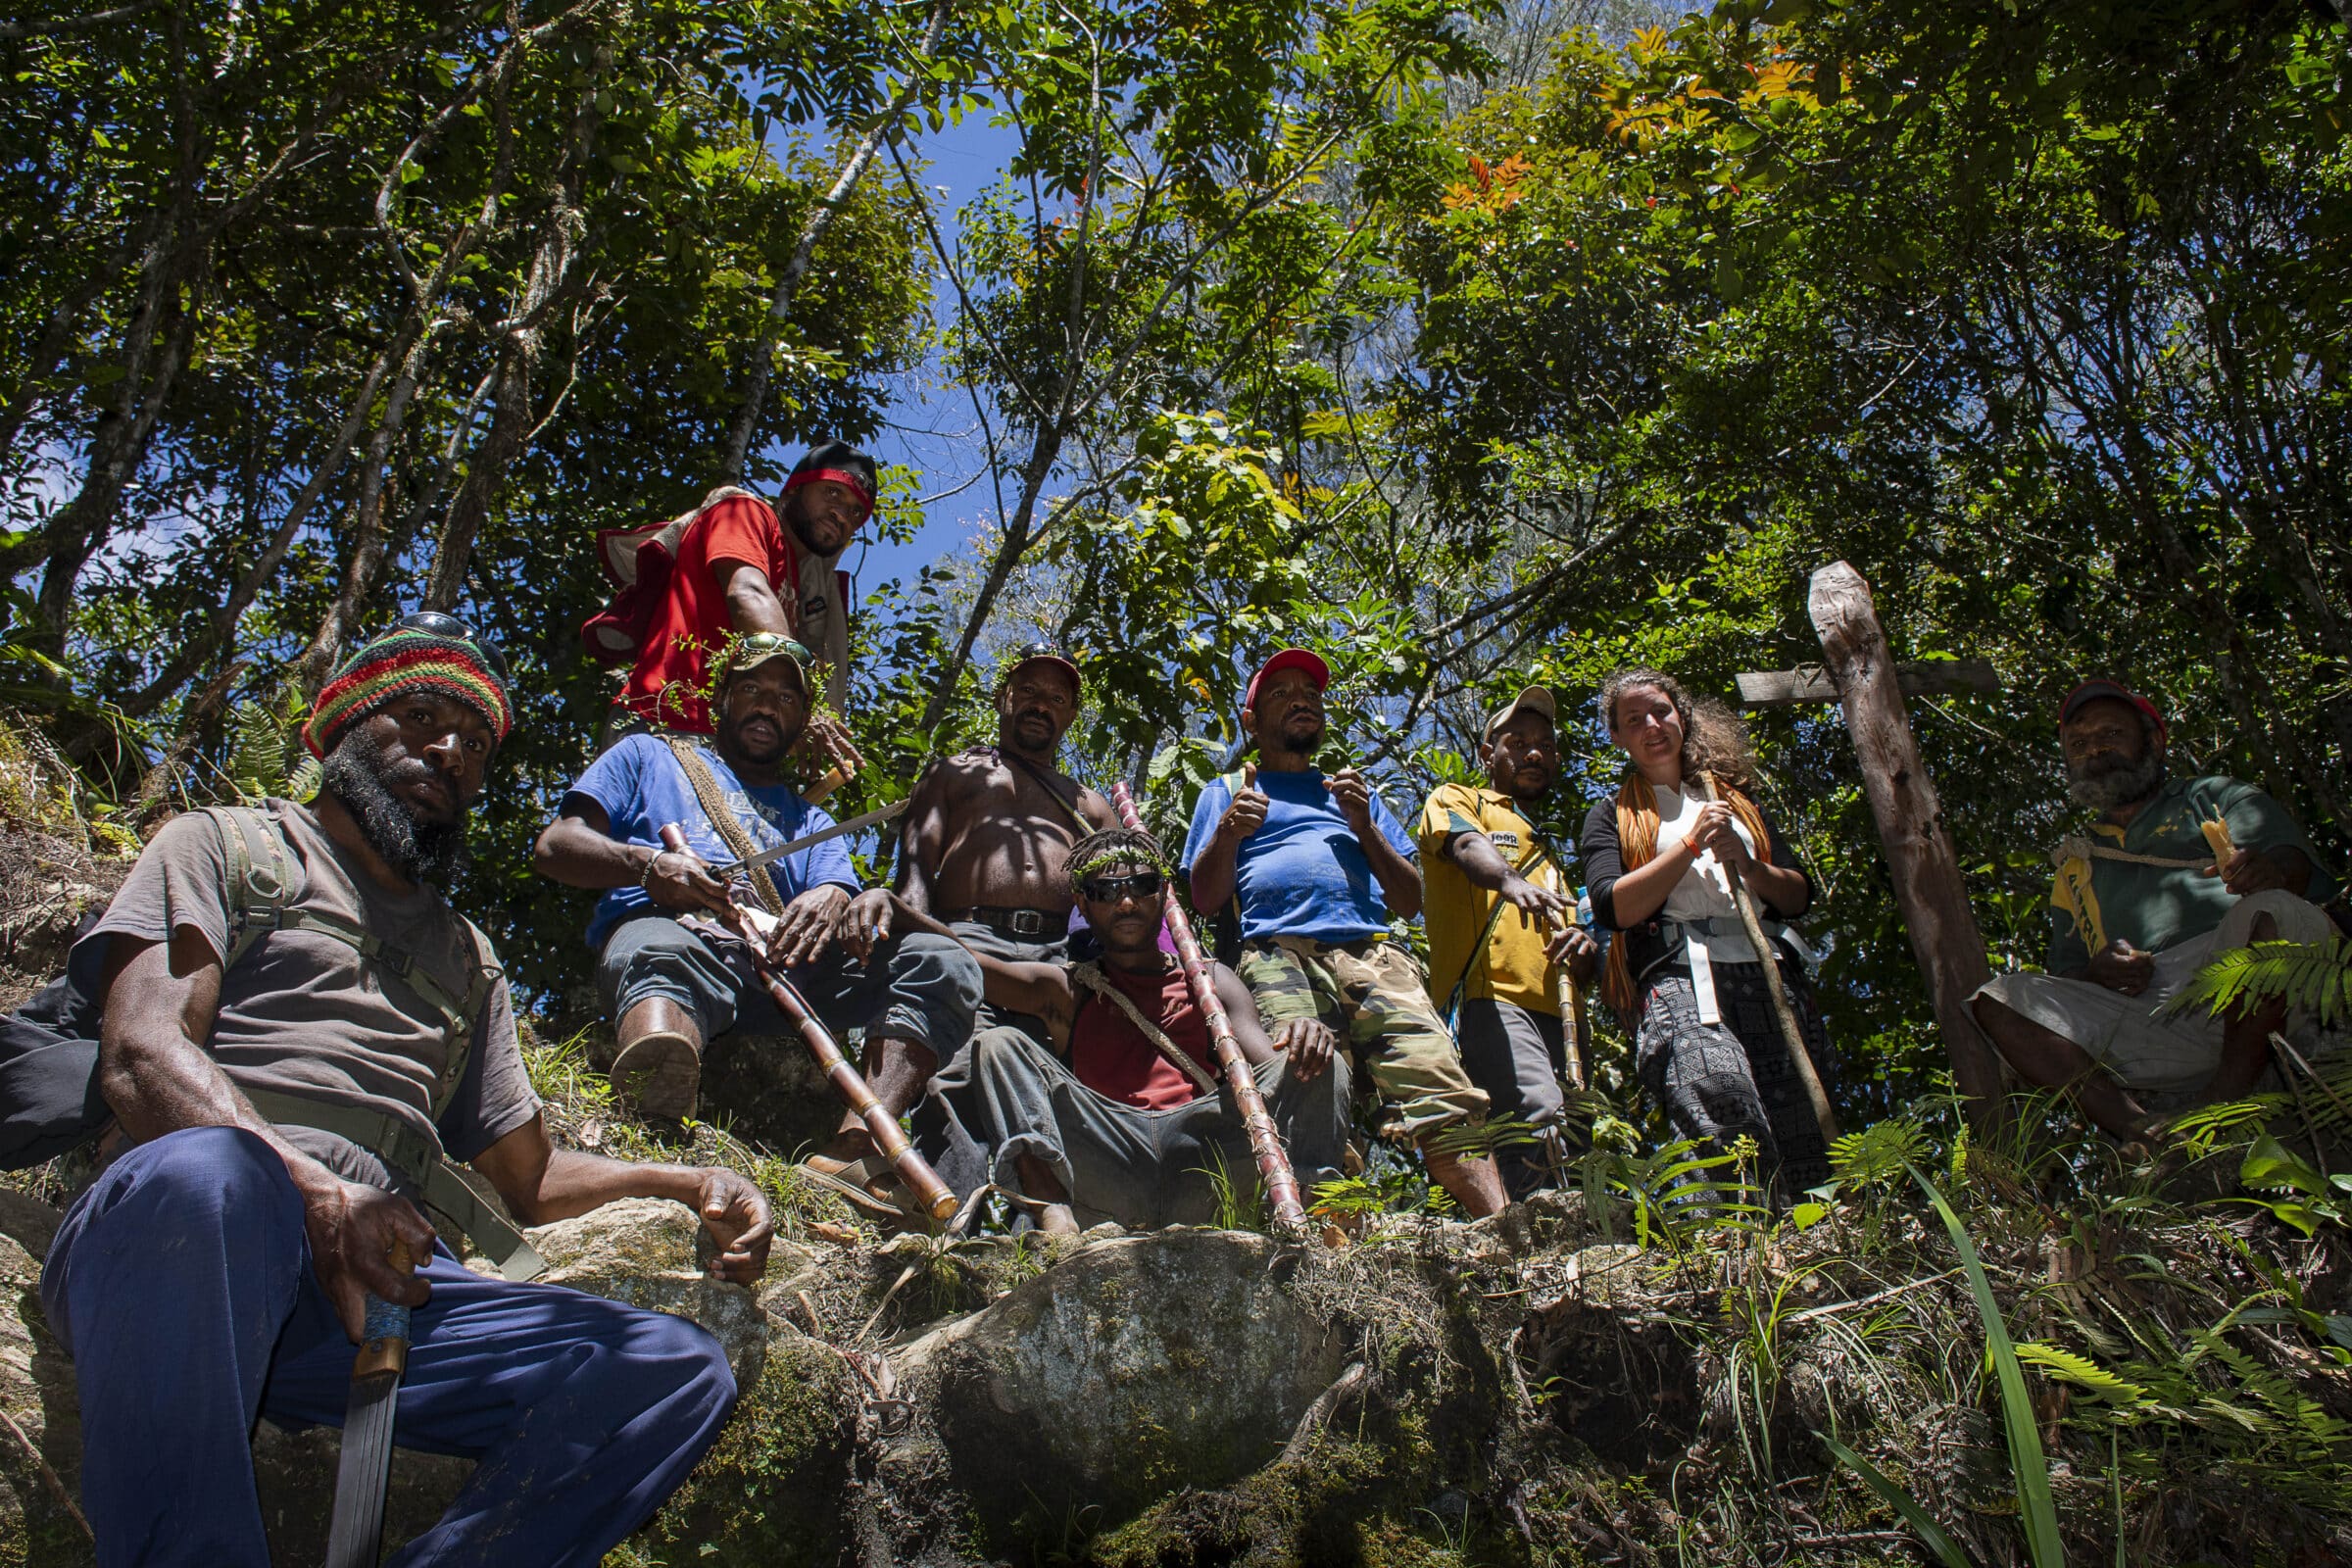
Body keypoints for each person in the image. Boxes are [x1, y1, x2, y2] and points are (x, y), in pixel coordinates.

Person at [42, 614, 771, 1567]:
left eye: (475, 743)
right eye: (422, 715)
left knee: (672, 1374)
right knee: (208, 1178)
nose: (451, 750)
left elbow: (531, 1178)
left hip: (371, 1290)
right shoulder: (227, 845)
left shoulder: (469, 959)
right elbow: (142, 1051)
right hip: (197, 1244)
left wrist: (687, 1183)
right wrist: (316, 1195)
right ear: (348, 724)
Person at [533, 632, 980, 1213]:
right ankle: (655, 1094)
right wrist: (647, 865)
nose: (768, 706)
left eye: (788, 699)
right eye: (752, 688)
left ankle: (855, 1144)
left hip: (788, 969)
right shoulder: (647, 755)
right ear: (722, 699)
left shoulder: (811, 817)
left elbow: (833, 888)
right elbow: (556, 845)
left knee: (942, 962)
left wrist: (832, 895)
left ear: (801, 723)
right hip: (681, 938)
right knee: (661, 947)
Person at [852, 827, 1351, 1232]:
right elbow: (970, 962)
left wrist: (1308, 1039)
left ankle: (1322, 1212)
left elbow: (1270, 1068)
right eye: (1105, 892)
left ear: (1163, 896)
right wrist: (901, 913)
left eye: (1141, 886)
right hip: (1104, 1160)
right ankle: (1054, 1219)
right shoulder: (1068, 991)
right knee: (998, 1045)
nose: (1126, 903)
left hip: (1204, 1153)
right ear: (1084, 906)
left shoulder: (1211, 980)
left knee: (1323, 1062)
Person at [1183, 648, 1511, 1218]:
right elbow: (1204, 899)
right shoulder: (1226, 790)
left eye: (1310, 693)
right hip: (1276, 953)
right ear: (1251, 721)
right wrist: (1230, 833)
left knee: (1441, 1086)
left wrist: (1364, 827)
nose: (1302, 700)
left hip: (1373, 954)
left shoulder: (1352, 794)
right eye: (1281, 693)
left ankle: (1508, 1235)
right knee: (1307, 1079)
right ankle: (1328, 1251)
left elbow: (1408, 902)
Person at [1971, 680, 2340, 1141]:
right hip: (2158, 1017)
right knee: (1999, 999)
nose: (2096, 751)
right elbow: (2065, 981)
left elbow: (2294, 867)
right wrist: (2099, 973)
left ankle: (2226, 1098)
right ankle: (2139, 1131)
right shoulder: (2075, 865)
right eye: (2079, 744)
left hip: (2256, 980)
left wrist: (2270, 871)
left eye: (2111, 734)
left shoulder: (2211, 797)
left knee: (2273, 910)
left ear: (2155, 741)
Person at [1581, 668, 1834, 1197]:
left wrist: (1748, 864)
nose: (1652, 725)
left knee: (1802, 1125)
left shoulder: (1734, 801)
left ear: (1682, 717)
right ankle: (1737, 1246)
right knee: (1719, 1102)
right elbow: (1612, 906)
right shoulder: (1611, 815)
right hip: (1680, 978)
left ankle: (1821, 1254)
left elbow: (1798, 896)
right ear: (1618, 737)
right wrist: (1691, 845)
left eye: (1661, 711)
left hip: (1769, 974)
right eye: (1634, 720)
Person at [1418, 685, 1598, 1197]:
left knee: (1577, 1131)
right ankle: (1543, 1247)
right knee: (1536, 1118)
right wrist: (1509, 880)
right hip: (1492, 1000)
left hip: (1563, 1015)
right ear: (1487, 755)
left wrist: (1586, 952)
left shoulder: (1552, 852)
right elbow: (1464, 843)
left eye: (1544, 744)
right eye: (1517, 742)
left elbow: (1585, 949)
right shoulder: (1460, 799)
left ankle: (1588, 1253)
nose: (1534, 752)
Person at [593, 440, 874, 764]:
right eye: (833, 493)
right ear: (793, 490)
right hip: (659, 726)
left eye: (856, 511)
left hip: (718, 748)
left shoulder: (797, 587)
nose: (842, 514)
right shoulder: (745, 512)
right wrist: (801, 704)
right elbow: (747, 592)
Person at [893, 642, 1119, 985]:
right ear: (1002, 697)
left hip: (1061, 959)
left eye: (1057, 699)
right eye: (1028, 690)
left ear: (1070, 716)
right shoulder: (952, 774)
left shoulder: (1091, 806)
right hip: (962, 943)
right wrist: (909, 946)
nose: (1041, 706)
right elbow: (915, 874)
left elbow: (1120, 895)